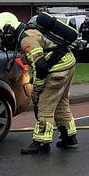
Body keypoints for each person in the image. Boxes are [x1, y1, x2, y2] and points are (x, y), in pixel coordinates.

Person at [18, 13, 78, 155]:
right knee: (61, 102)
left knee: (45, 105)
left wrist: (37, 88)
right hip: (68, 62)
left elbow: (40, 65)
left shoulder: (27, 38)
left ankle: (41, 143)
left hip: (58, 69)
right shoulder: (33, 31)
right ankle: (69, 136)